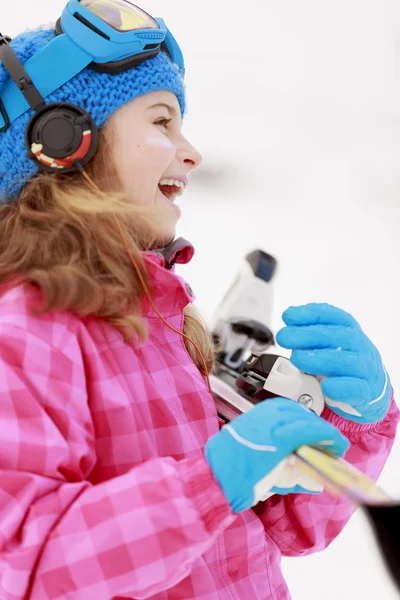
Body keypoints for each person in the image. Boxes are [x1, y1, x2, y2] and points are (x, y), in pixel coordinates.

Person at [0, 2, 397, 599]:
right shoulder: (26, 330)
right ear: (64, 141)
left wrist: (353, 422)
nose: (191, 153)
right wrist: (213, 481)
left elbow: (285, 526)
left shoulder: (161, 321)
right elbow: (29, 567)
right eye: (162, 122)